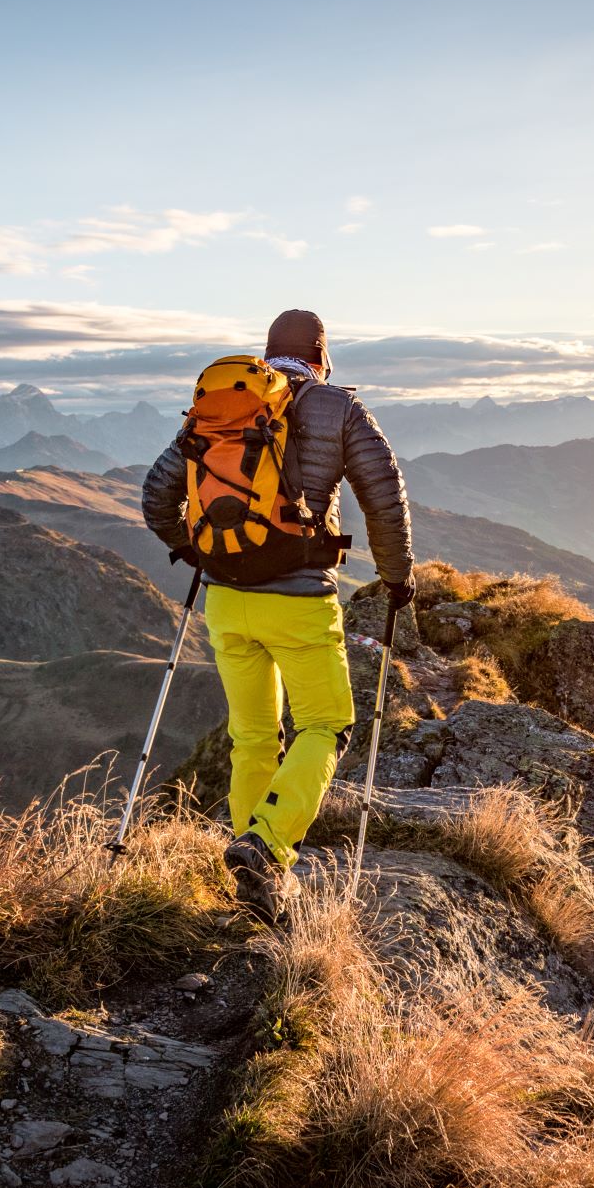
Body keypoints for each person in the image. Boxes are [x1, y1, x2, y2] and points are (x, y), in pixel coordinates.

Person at [142, 308, 414, 921]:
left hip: (227, 598)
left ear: (268, 352)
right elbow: (383, 493)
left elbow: (159, 491)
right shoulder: (337, 409)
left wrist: (194, 550)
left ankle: (250, 872)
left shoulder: (225, 402)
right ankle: (266, 847)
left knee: (254, 737)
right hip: (298, 603)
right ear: (322, 357)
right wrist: (397, 578)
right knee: (326, 726)